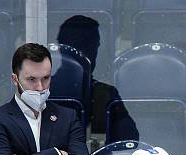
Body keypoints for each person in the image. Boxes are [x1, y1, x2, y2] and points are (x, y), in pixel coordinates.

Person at [55, 15, 138, 143]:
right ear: (62, 48)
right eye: (82, 45)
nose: (90, 52)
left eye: (94, 46)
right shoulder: (41, 92)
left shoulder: (104, 94)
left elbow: (129, 140)